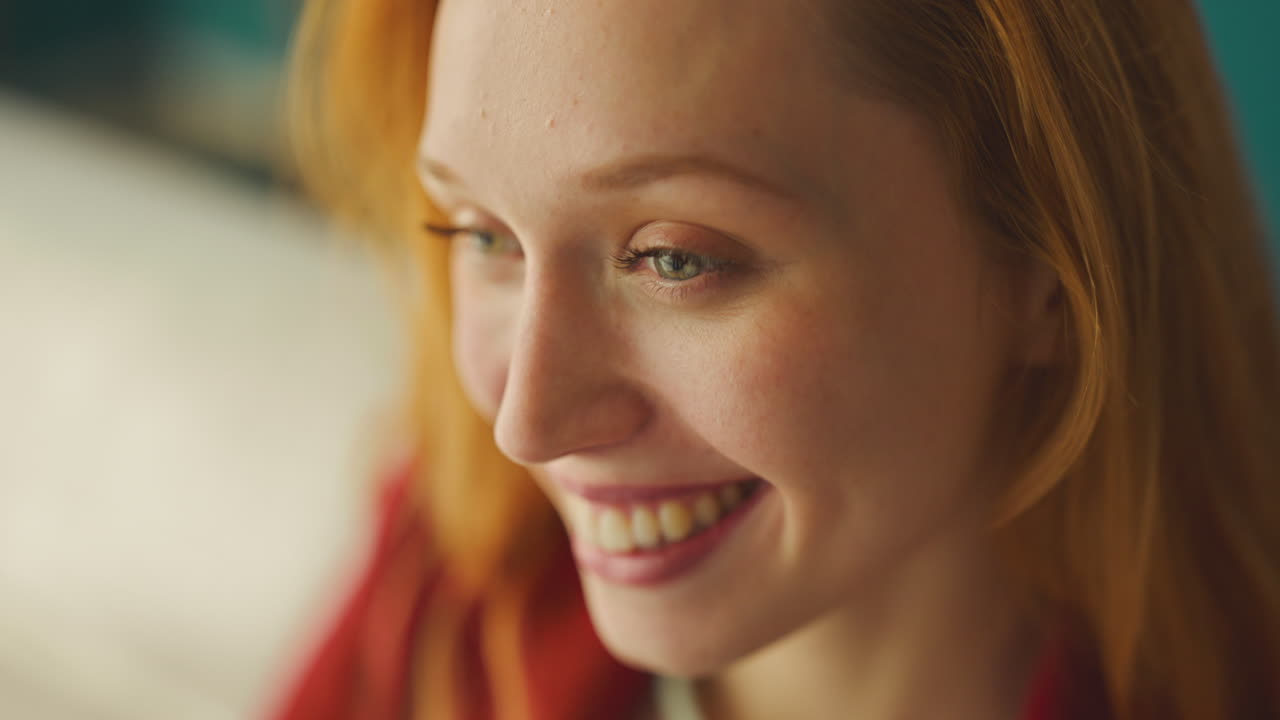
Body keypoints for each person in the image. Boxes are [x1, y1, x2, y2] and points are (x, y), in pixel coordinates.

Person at [273, 1, 1280, 719]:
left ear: (1050, 271)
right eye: (482, 237)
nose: (524, 423)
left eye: (675, 258)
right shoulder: (451, 590)